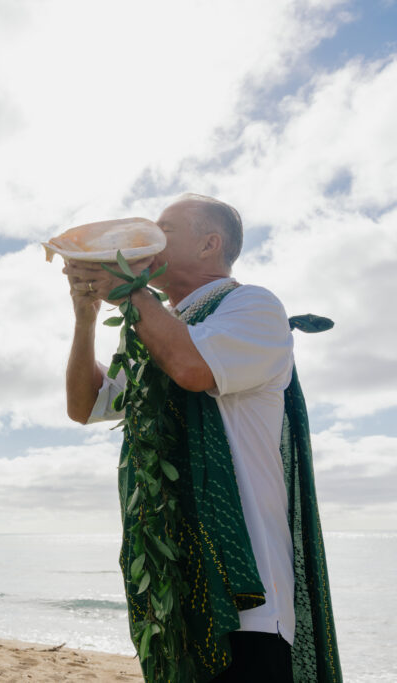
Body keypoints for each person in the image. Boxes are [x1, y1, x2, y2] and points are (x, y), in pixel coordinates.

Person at [61, 194, 341, 683]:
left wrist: (128, 291)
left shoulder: (253, 305)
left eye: (163, 230)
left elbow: (194, 368)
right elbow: (85, 406)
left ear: (211, 244)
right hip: (176, 578)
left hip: (247, 590)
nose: (146, 240)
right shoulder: (150, 326)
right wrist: (86, 317)